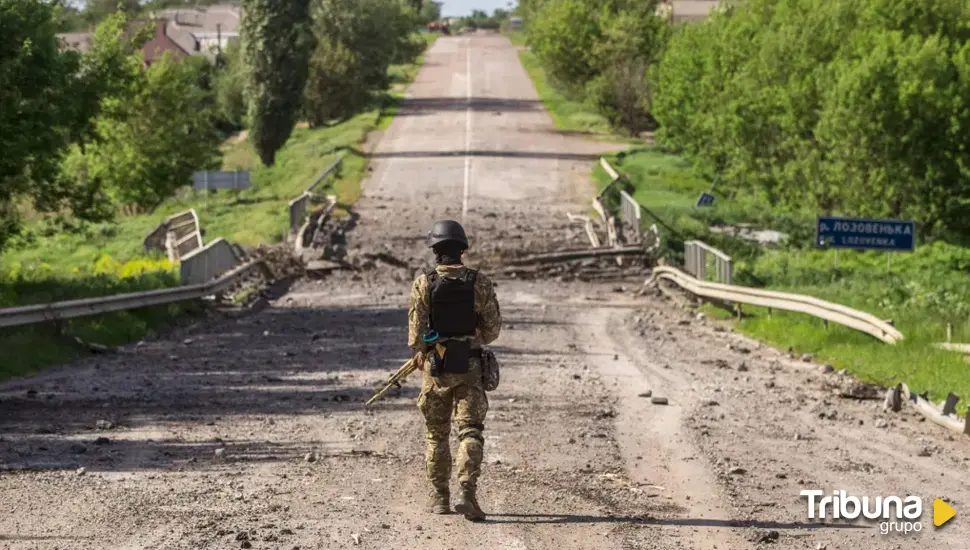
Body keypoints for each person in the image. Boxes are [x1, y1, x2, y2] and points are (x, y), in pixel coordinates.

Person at [407, 220, 502, 521]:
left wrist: (427, 347)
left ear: (435, 250)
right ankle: (467, 493)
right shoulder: (480, 282)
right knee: (470, 431)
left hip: (436, 370)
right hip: (471, 367)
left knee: (436, 435)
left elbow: (416, 338)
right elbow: (492, 331)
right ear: (462, 249)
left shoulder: (424, 283)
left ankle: (440, 498)